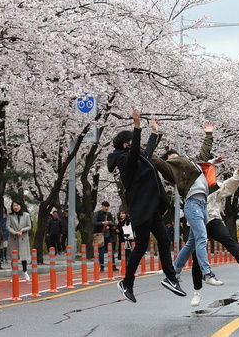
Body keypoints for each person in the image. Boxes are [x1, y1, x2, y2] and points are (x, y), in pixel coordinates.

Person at [108, 108, 185, 303]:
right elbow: (135, 154)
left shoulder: (138, 159)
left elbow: (147, 152)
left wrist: (154, 132)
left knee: (163, 240)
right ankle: (127, 283)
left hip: (151, 208)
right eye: (134, 142)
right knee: (141, 246)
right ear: (126, 145)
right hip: (142, 209)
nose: (137, 146)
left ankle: (170, 278)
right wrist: (136, 127)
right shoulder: (125, 161)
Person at [151, 121, 223, 287]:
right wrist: (151, 134)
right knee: (201, 237)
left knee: (191, 242)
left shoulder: (192, 165)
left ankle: (173, 273)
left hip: (202, 205)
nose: (175, 158)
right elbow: (153, 158)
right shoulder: (172, 171)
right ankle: (207, 273)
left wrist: (209, 134)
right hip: (193, 205)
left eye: (176, 155)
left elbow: (204, 154)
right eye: (171, 158)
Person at [187, 164, 239, 307]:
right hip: (196, 221)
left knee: (227, 238)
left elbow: (228, 186)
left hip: (212, 218)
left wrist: (237, 174)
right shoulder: (191, 185)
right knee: (196, 259)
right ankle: (196, 292)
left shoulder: (214, 185)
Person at [7, 200, 32, 281]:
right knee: (14, 257)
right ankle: (14, 274)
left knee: (23, 257)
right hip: (13, 238)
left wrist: (22, 230)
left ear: (20, 206)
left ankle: (25, 272)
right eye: (14, 206)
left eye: (17, 205)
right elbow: (8, 226)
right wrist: (15, 232)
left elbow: (29, 226)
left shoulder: (26, 215)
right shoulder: (10, 215)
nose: (16, 207)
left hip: (23, 238)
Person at [92, 201, 116, 272]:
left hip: (109, 235)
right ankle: (101, 266)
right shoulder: (97, 214)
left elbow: (114, 223)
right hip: (100, 235)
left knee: (111, 251)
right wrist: (102, 223)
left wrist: (111, 223)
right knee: (101, 251)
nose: (106, 208)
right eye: (105, 206)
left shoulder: (109, 214)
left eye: (107, 206)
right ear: (102, 206)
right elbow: (94, 223)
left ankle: (113, 265)